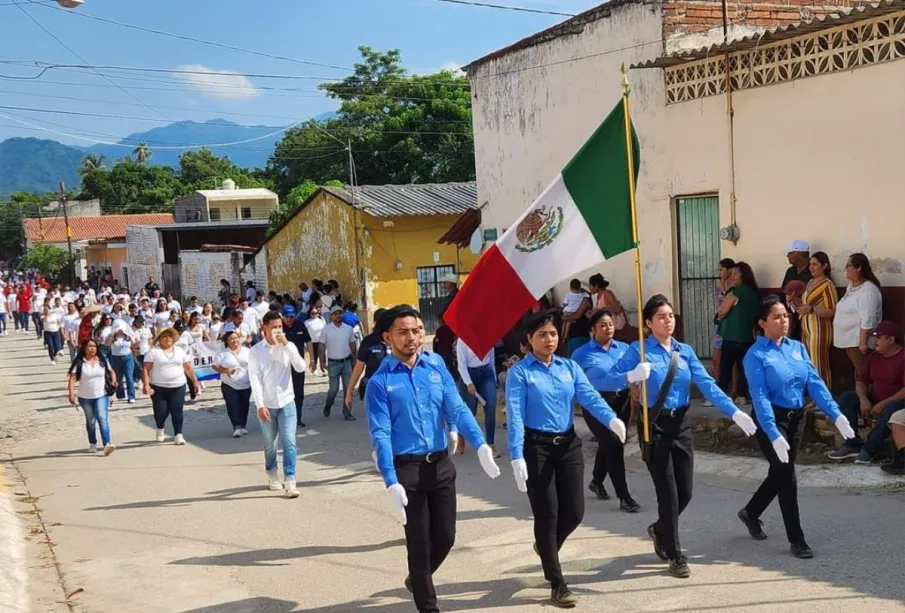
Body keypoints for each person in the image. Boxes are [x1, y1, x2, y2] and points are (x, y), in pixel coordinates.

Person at [606, 294, 757, 578]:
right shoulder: (637, 350)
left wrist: (733, 411)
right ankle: (675, 554)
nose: (668, 321)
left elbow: (707, 385)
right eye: (661, 317)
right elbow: (605, 377)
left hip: (681, 425)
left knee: (685, 492)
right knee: (668, 493)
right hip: (655, 426)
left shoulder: (684, 351)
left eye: (671, 315)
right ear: (649, 323)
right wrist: (630, 376)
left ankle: (660, 529)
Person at [366, 304, 500, 613]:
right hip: (407, 470)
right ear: (388, 337)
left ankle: (418, 577)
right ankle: (428, 605)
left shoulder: (436, 364)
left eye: (416, 331)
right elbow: (381, 434)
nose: (412, 338)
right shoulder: (380, 382)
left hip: (440, 465)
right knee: (418, 542)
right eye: (403, 332)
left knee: (446, 537)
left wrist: (479, 444)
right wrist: (390, 480)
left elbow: (455, 408)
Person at [506, 309, 626, 606]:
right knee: (547, 513)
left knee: (574, 512)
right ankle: (557, 582)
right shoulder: (520, 373)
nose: (549, 340)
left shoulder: (569, 367)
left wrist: (612, 419)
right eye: (542, 335)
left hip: (568, 444)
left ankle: (546, 547)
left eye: (553, 334)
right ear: (529, 339)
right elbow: (516, 415)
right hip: (537, 448)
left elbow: (589, 396)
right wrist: (516, 455)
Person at [739, 295, 855, 558]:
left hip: (796, 419)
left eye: (785, 316)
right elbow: (760, 397)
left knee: (780, 471)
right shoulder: (755, 355)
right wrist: (771, 431)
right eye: (776, 317)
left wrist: (836, 415)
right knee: (787, 476)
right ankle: (797, 539)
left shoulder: (797, 348)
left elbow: (814, 383)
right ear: (762, 323)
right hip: (770, 419)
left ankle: (751, 512)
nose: (783, 321)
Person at [571, 309, 641, 512]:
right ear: (593, 329)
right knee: (613, 445)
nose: (608, 328)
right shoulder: (581, 354)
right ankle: (624, 496)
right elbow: (572, 380)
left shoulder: (624, 349)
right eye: (602, 325)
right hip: (596, 404)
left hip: (622, 401)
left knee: (611, 443)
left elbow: (633, 374)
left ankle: (596, 481)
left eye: (610, 324)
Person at [248, 311, 307, 498]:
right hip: (268, 403)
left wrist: (287, 345)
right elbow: (255, 379)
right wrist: (259, 405)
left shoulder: (287, 346)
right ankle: (272, 473)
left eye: (280, 327)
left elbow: (300, 367)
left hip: (287, 401)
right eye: (274, 327)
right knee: (270, 443)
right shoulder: (256, 351)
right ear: (264, 328)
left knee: (289, 440)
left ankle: (290, 479)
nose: (277, 330)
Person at [828, 321, 905, 462]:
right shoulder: (874, 357)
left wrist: (882, 404)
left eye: (878, 337)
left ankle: (870, 450)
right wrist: (863, 399)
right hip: (875, 398)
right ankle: (852, 443)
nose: (874, 341)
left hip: (897, 402)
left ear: (891, 339)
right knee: (847, 398)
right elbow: (861, 381)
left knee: (890, 410)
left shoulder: (902, 358)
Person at [142, 327, 200, 445]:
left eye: (169, 336)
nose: (167, 338)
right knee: (161, 412)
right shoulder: (153, 352)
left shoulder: (179, 351)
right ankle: (160, 427)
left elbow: (187, 367)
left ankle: (178, 434)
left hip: (178, 385)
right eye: (164, 336)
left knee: (177, 410)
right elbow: (146, 369)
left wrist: (194, 381)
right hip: (158, 387)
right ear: (159, 339)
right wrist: (146, 384)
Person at [716, 261, 759, 404]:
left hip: (732, 336)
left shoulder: (736, 291)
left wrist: (721, 315)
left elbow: (722, 312)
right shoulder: (754, 293)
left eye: (735, 274)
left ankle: (720, 394)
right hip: (748, 336)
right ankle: (742, 394)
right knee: (744, 368)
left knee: (726, 368)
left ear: (744, 275)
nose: (732, 277)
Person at [833, 253, 883, 370]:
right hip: (848, 340)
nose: (846, 268)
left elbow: (868, 318)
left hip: (857, 341)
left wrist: (862, 343)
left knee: (863, 371)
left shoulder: (868, 290)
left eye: (849, 265)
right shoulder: (852, 286)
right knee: (858, 370)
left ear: (859, 267)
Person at [68, 339, 117, 455]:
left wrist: (114, 381)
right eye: (90, 346)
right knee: (90, 421)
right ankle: (92, 442)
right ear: (84, 348)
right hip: (85, 397)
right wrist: (71, 393)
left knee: (102, 418)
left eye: (94, 346)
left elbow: (111, 371)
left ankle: (107, 444)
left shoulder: (102, 360)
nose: (92, 348)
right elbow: (72, 379)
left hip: (102, 395)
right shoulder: (80, 363)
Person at [797, 252, 838, 387]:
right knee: (809, 364)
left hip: (820, 330)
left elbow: (832, 310)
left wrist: (812, 310)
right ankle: (815, 396)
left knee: (819, 364)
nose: (811, 267)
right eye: (810, 264)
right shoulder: (809, 283)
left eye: (815, 264)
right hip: (807, 329)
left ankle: (823, 397)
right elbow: (804, 306)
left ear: (824, 266)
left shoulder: (827, 285)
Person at [456, 339, 499, 457]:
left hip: (486, 372)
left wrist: (494, 379)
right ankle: (461, 434)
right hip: (470, 373)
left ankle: (490, 444)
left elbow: (492, 359)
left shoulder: (488, 336)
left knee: (491, 406)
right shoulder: (463, 339)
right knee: (470, 410)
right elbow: (461, 364)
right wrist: (468, 383)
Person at [345, 309, 388, 411]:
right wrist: (349, 391)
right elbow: (358, 368)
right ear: (376, 322)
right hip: (374, 389)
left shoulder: (396, 339)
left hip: (394, 389)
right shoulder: (368, 341)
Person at [213, 330, 252, 438]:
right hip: (229, 384)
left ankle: (242, 426)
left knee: (244, 405)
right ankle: (236, 426)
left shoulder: (247, 351)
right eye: (231, 339)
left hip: (246, 383)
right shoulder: (223, 354)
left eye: (236, 338)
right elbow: (215, 366)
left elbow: (255, 364)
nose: (234, 340)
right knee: (232, 405)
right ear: (227, 341)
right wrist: (226, 370)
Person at [322, 305, 357, 421]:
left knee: (348, 389)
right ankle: (328, 404)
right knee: (334, 389)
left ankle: (347, 413)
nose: (338, 316)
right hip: (333, 363)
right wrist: (321, 360)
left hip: (346, 361)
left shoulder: (348, 328)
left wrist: (355, 358)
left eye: (340, 313)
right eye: (335, 314)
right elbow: (321, 345)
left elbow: (352, 343)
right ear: (331, 316)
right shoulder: (326, 329)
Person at [709, 259, 736, 405]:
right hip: (720, 323)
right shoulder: (720, 285)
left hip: (730, 324)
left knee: (732, 360)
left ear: (729, 270)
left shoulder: (734, 287)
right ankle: (717, 388)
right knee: (716, 357)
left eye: (721, 270)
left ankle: (734, 390)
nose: (719, 273)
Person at [281, 304, 310, 428]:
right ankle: (285, 418)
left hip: (297, 365)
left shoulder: (300, 325)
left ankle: (298, 417)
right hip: (282, 367)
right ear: (282, 316)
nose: (290, 319)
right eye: (287, 317)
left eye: (292, 317)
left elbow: (308, 341)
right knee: (284, 391)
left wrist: (312, 360)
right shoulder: (278, 327)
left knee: (299, 392)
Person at [782, 240, 812, 341]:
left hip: (809, 317)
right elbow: (785, 291)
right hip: (791, 317)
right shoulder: (790, 271)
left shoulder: (813, 270)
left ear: (798, 253)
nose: (787, 256)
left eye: (790, 253)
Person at [109, 321, 137, 404]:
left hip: (127, 357)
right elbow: (106, 343)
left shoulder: (128, 335)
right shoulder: (112, 336)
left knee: (129, 376)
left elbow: (134, 343)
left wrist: (132, 339)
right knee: (118, 377)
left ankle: (131, 396)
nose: (120, 329)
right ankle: (120, 394)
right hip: (115, 357)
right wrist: (113, 335)